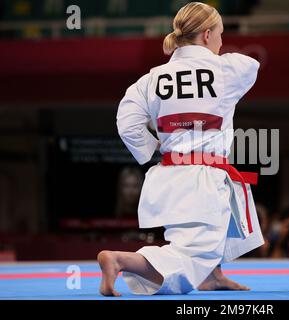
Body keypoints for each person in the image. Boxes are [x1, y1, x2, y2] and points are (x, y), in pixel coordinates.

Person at [97, 2, 263, 296]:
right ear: (208, 34)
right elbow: (250, 66)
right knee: (192, 258)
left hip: (169, 176)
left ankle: (213, 276)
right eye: (221, 34)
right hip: (203, 181)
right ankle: (122, 260)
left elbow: (128, 124)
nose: (222, 42)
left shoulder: (150, 80)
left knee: (210, 232)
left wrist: (156, 147)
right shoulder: (229, 69)